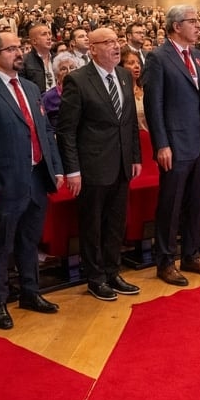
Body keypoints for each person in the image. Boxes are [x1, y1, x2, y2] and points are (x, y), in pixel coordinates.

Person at [0, 31, 64, 330]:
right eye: (11, 49)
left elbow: (45, 130)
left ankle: (30, 292)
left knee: (30, 239)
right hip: (5, 180)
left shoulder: (30, 87)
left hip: (37, 176)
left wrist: (56, 167)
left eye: (19, 47)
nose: (19, 53)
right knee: (1, 244)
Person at [57, 27, 142, 301]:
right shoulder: (78, 80)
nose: (116, 46)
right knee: (92, 226)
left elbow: (129, 123)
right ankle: (95, 278)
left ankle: (113, 272)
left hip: (122, 164)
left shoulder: (124, 76)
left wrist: (135, 156)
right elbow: (66, 131)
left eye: (117, 41)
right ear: (92, 49)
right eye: (108, 42)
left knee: (116, 223)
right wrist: (72, 170)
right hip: (92, 166)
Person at [142, 4, 200, 286]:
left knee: (196, 203)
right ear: (176, 26)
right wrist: (161, 144)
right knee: (171, 205)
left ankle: (191, 254)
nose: (199, 26)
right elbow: (154, 106)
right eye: (192, 21)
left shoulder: (198, 56)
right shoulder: (158, 58)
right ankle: (165, 261)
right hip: (175, 144)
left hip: (199, 143)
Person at [41, 52, 79, 129]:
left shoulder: (85, 93)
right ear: (56, 74)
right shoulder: (47, 98)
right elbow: (43, 125)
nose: (69, 72)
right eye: (63, 69)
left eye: (72, 67)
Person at [19, 24, 55, 93]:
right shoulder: (24, 61)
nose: (49, 37)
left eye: (49, 33)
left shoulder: (57, 58)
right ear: (34, 41)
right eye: (44, 34)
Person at [120, 47, 148, 131]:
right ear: (121, 67)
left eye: (138, 63)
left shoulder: (145, 89)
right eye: (131, 63)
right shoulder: (118, 92)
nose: (137, 66)